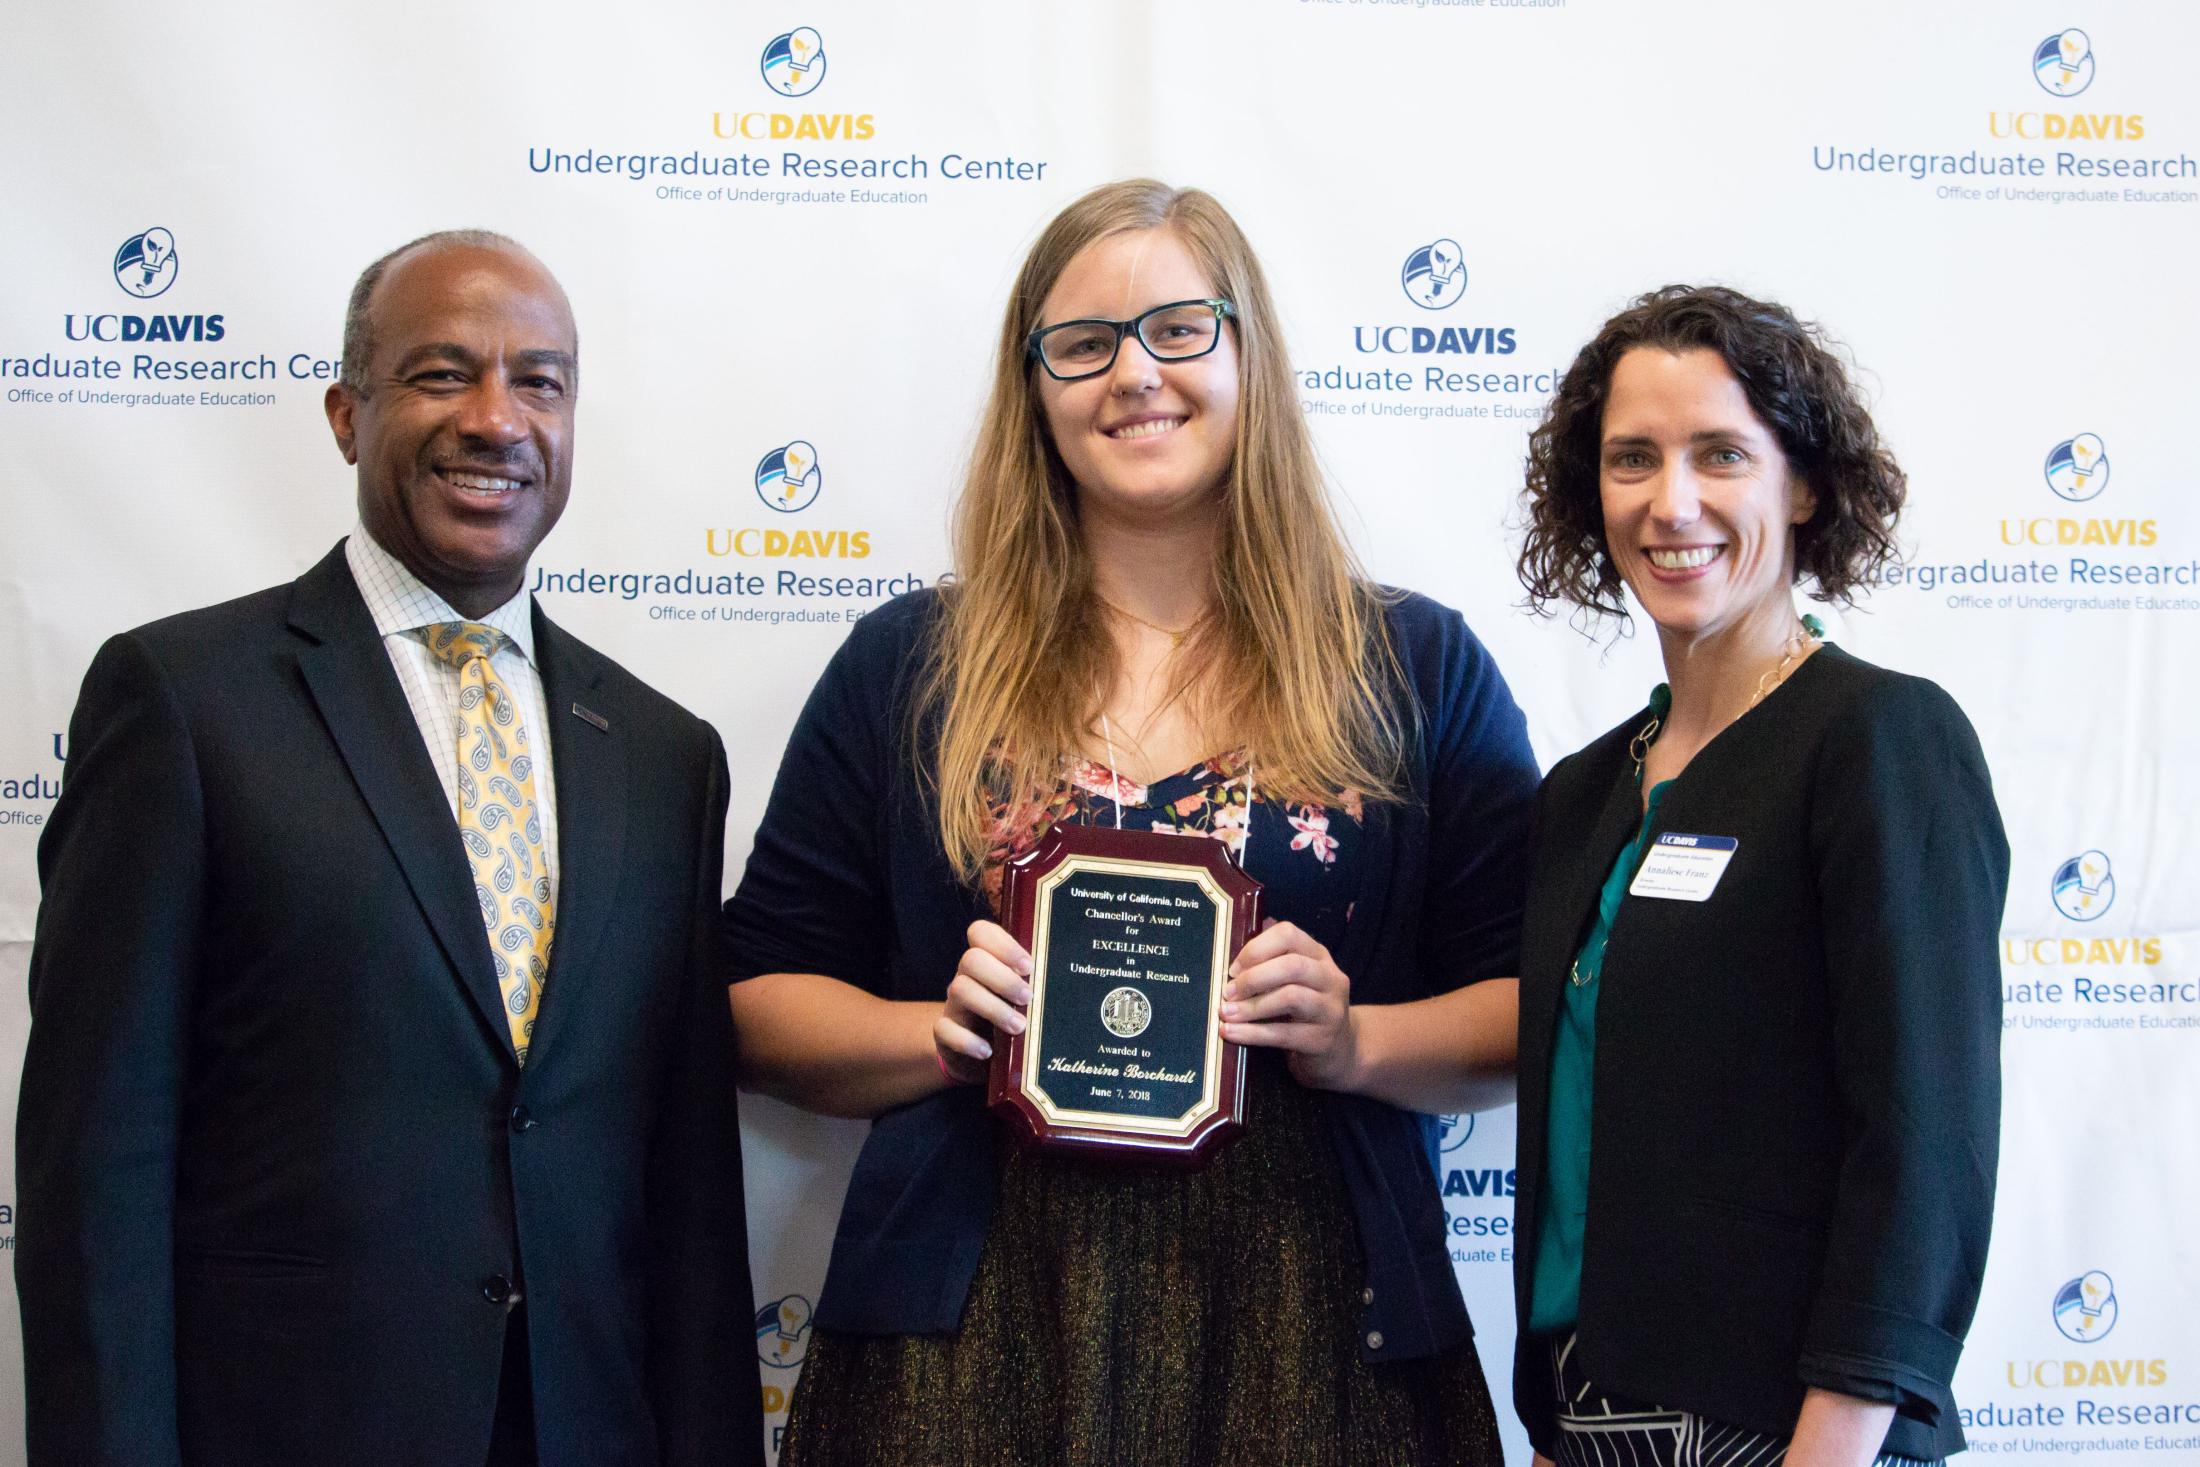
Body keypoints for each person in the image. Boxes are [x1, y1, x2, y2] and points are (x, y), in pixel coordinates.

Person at [723, 179, 1542, 1466]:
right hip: (966, 1337)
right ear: (1033, 386)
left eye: (1176, 328)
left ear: (1246, 350)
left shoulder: (1412, 666)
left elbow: (1532, 1007)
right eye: (1083, 344)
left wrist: (1355, 1040)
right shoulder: (910, 668)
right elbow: (754, 996)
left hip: (1322, 1327)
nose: (1131, 376)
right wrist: (934, 1035)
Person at [16, 230, 762, 1467]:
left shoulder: (662, 754)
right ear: (345, 412)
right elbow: (97, 1165)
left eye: (539, 381)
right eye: (439, 373)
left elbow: (686, 1189)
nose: (495, 418)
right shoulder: (185, 702)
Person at [1509, 285, 2008, 1467]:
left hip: (1795, 1426)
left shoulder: (1879, 739)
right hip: (1588, 1411)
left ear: (1804, 484)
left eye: (1720, 454)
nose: (1669, 502)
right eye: (1631, 459)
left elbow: (1926, 1134)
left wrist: (1834, 1439)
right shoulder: (1584, 791)